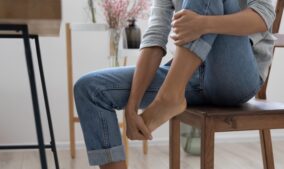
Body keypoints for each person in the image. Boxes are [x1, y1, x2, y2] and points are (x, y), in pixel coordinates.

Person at [74, 0, 276, 169]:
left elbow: (264, 16)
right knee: (90, 89)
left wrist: (205, 24)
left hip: (235, 76)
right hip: (188, 74)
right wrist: (132, 105)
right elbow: (155, 36)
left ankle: (170, 96)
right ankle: (172, 92)